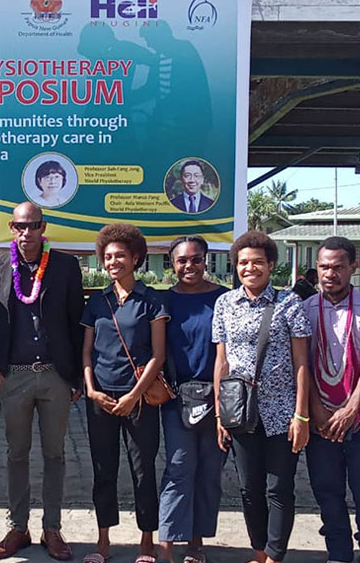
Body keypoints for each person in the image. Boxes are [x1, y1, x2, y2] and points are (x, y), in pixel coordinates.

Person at [0, 201, 84, 561]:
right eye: (20, 226)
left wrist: (76, 376)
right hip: (14, 376)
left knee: (55, 454)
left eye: (33, 225)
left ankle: (52, 528)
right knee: (16, 454)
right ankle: (17, 527)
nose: (27, 232)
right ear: (12, 228)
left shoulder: (66, 266)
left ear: (43, 227)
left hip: (55, 375)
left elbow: (76, 322)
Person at [212, 230, 311, 563]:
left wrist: (301, 415)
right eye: (243, 262)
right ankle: (259, 552)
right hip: (239, 410)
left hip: (282, 410)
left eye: (257, 262)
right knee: (249, 488)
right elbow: (221, 361)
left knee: (278, 488)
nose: (249, 268)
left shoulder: (289, 303)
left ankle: (275, 555)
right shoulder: (225, 304)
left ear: (270, 265)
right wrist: (220, 414)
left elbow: (301, 363)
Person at [81, 223, 169, 563]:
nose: (113, 262)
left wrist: (134, 395)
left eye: (120, 255)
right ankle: (103, 540)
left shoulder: (152, 300)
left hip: (140, 400)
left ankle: (146, 540)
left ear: (136, 258)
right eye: (107, 257)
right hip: (101, 399)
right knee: (103, 469)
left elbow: (158, 355)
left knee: (143, 470)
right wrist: (91, 390)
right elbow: (87, 351)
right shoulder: (97, 301)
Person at [303, 237, 360, 563]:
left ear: (353, 267)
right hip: (321, 420)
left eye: (338, 267)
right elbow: (302, 364)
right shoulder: (305, 310)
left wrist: (351, 410)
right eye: (324, 267)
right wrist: (317, 410)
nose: (330, 274)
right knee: (327, 492)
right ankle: (338, 553)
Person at [158, 236, 227, 563]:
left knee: (210, 471)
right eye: (182, 260)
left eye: (196, 259)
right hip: (176, 398)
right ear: (172, 263)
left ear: (206, 260)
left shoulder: (224, 299)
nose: (189, 266)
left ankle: (196, 543)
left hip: (219, 398)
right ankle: (167, 544)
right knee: (179, 468)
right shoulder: (164, 301)